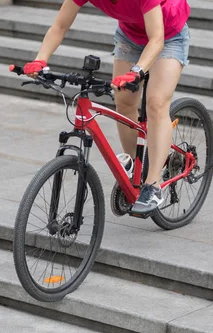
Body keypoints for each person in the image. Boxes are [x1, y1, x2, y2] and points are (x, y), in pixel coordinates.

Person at [22, 0, 190, 215]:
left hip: (167, 35)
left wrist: (138, 70)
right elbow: (60, 26)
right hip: (130, 36)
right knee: (124, 101)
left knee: (156, 103)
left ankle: (153, 185)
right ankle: (133, 167)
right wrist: (40, 60)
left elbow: (156, 39)